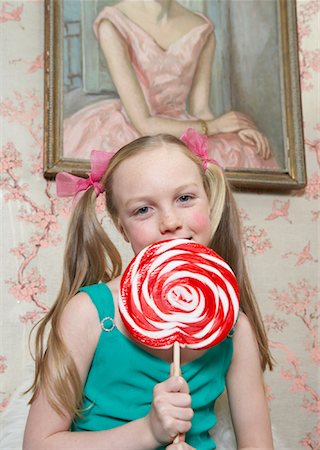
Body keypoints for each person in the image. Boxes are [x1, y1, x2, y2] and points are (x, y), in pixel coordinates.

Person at [23, 129, 274, 449]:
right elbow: (37, 444)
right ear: (121, 228)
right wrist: (149, 432)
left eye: (185, 198)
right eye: (143, 209)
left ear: (209, 202)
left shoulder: (234, 327)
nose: (169, 221)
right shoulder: (90, 314)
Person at [64, 0, 279, 170]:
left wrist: (236, 129)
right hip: (132, 127)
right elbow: (144, 124)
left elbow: (199, 109)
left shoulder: (202, 29)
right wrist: (215, 126)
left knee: (246, 153)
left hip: (184, 124)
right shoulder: (112, 22)